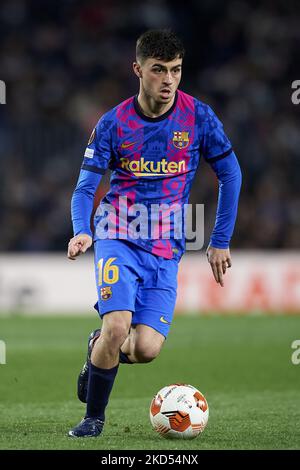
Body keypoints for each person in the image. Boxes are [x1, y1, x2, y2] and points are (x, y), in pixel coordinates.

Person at [67, 29, 242, 437]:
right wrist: (82, 230)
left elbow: (230, 173)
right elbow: (85, 187)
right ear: (138, 70)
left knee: (145, 349)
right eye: (158, 70)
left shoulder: (198, 117)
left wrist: (220, 239)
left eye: (176, 70)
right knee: (117, 326)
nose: (168, 80)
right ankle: (93, 418)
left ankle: (97, 352)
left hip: (166, 245)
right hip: (118, 234)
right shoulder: (113, 123)